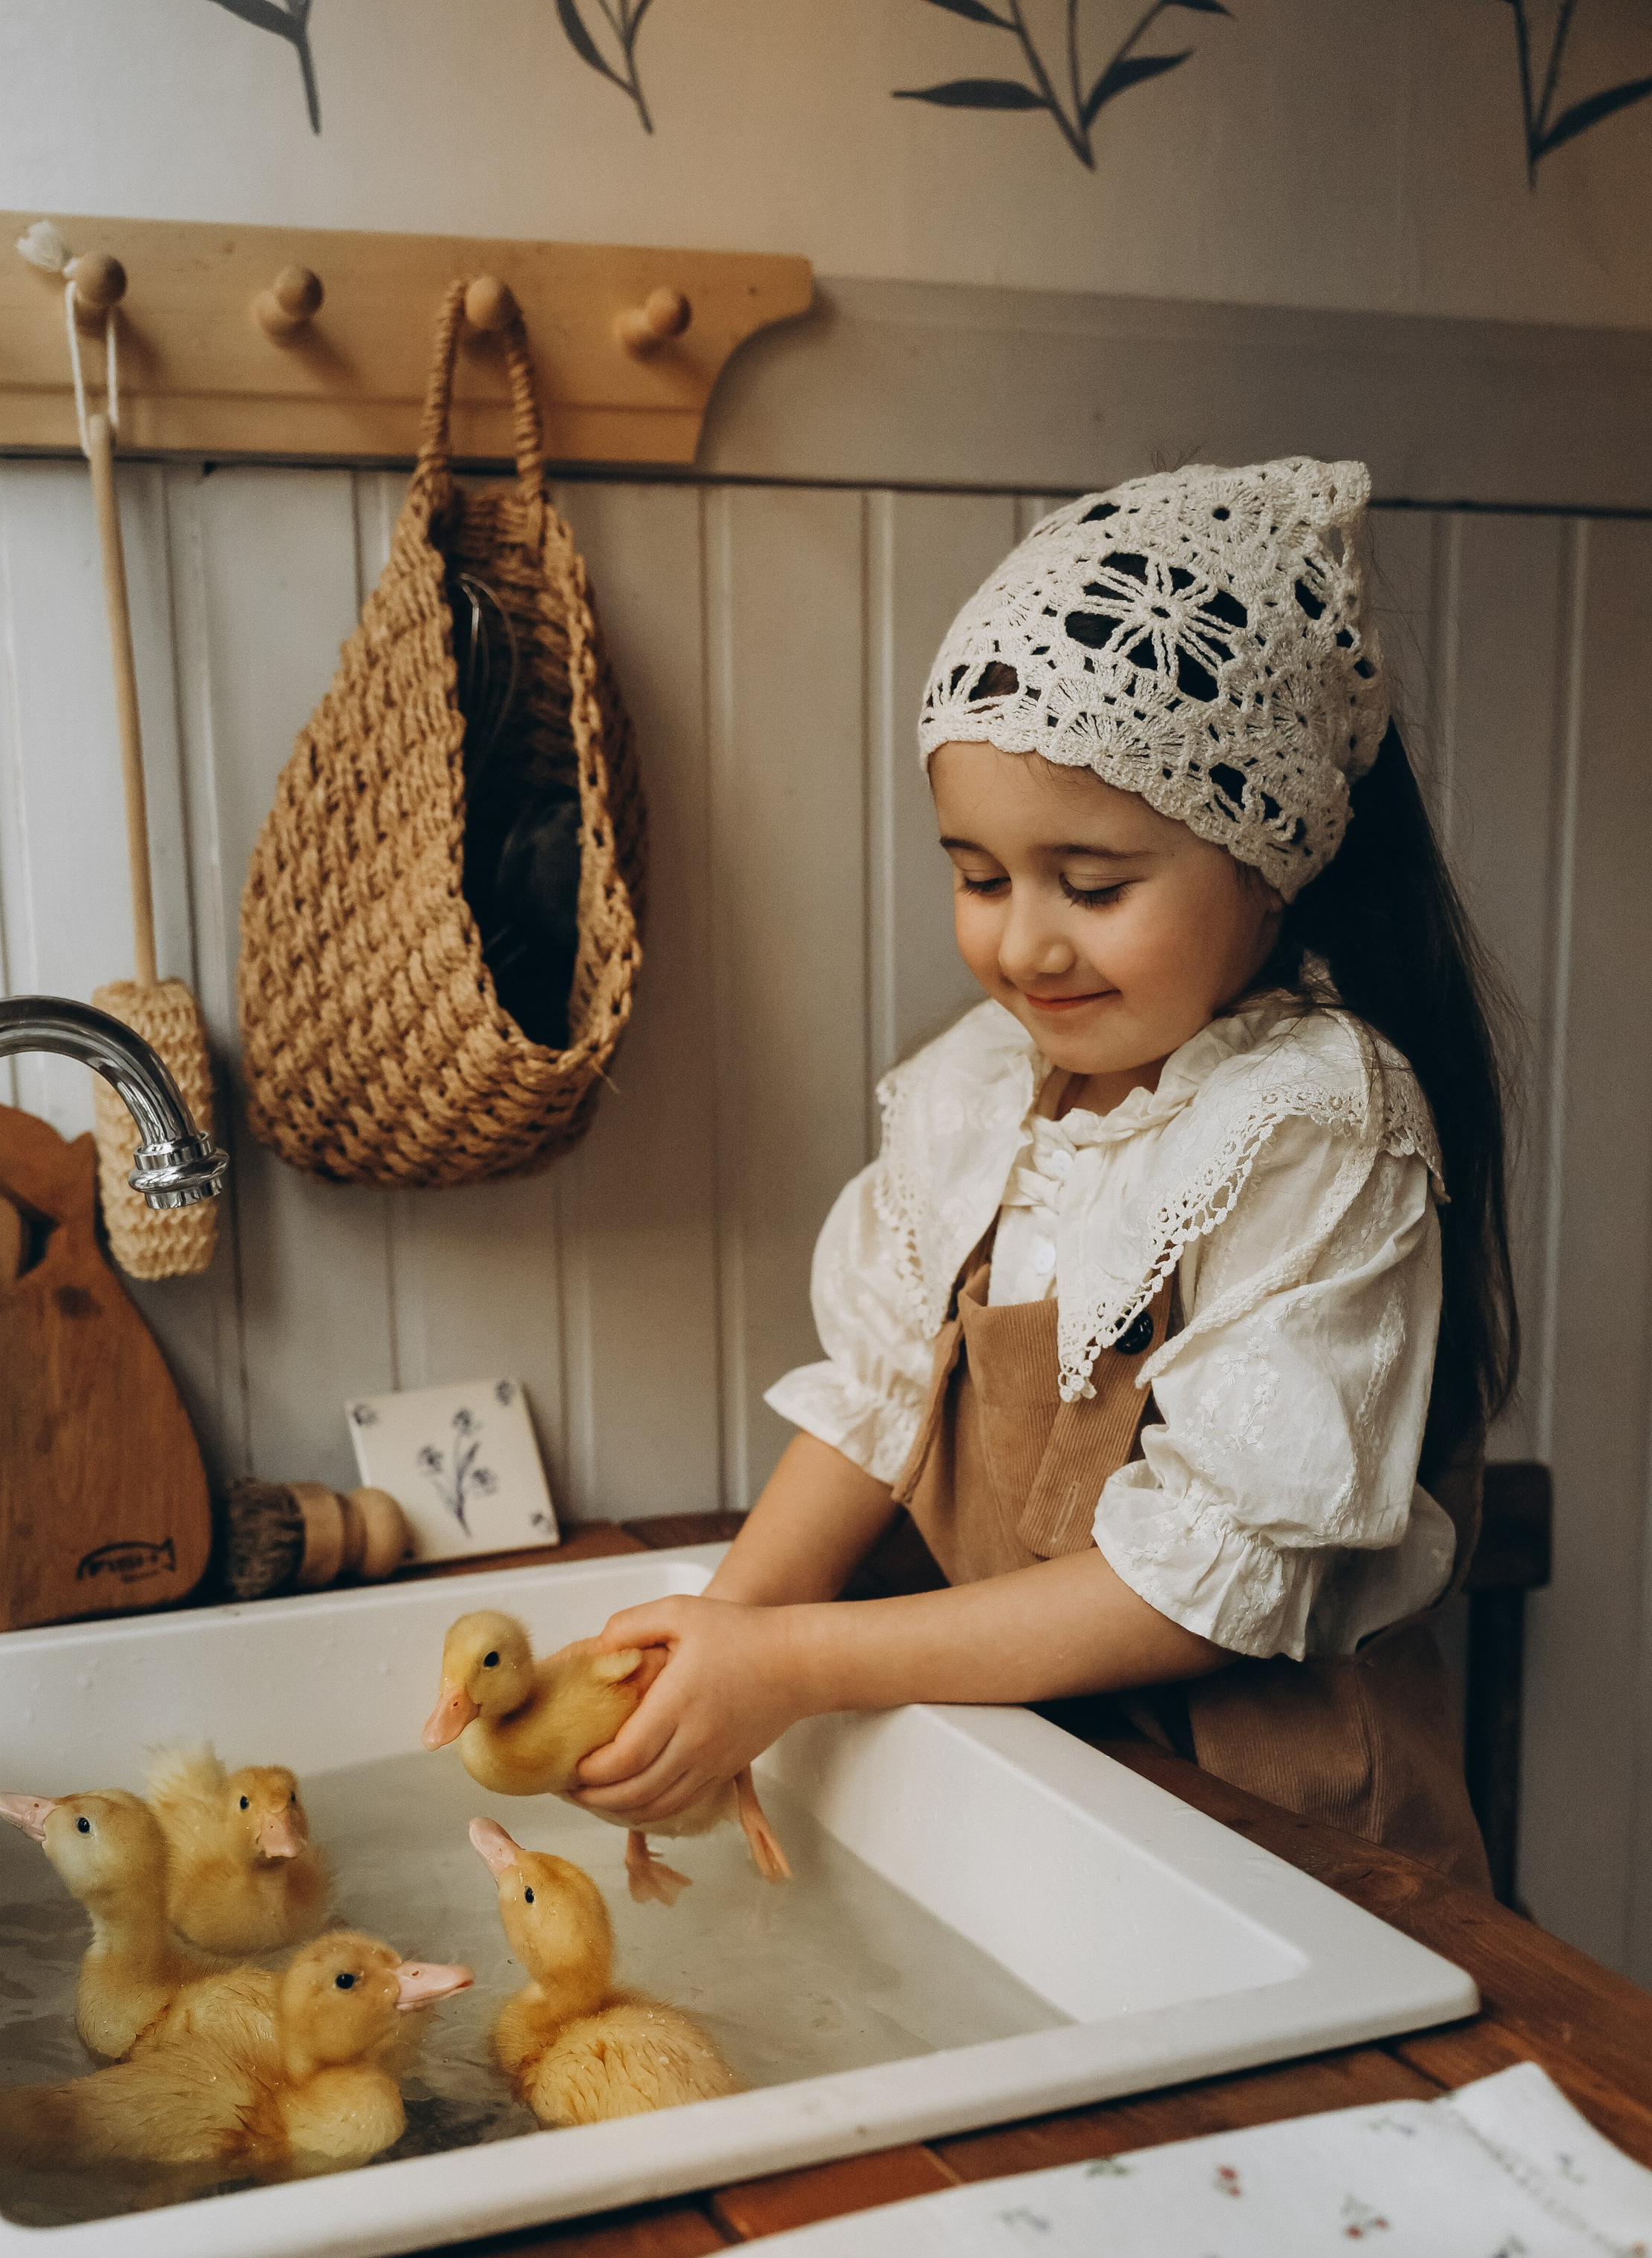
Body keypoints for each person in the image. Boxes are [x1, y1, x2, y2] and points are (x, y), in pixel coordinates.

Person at [576, 457, 1516, 1890]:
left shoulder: (1313, 1126)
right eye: (978, 876)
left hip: (1270, 1838)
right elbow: (882, 1401)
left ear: (1269, 866)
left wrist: (797, 1661)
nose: (1024, 946)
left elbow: (1204, 1582)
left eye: (1092, 886)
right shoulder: (982, 1089)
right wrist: (720, 1632)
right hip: (1051, 1778)